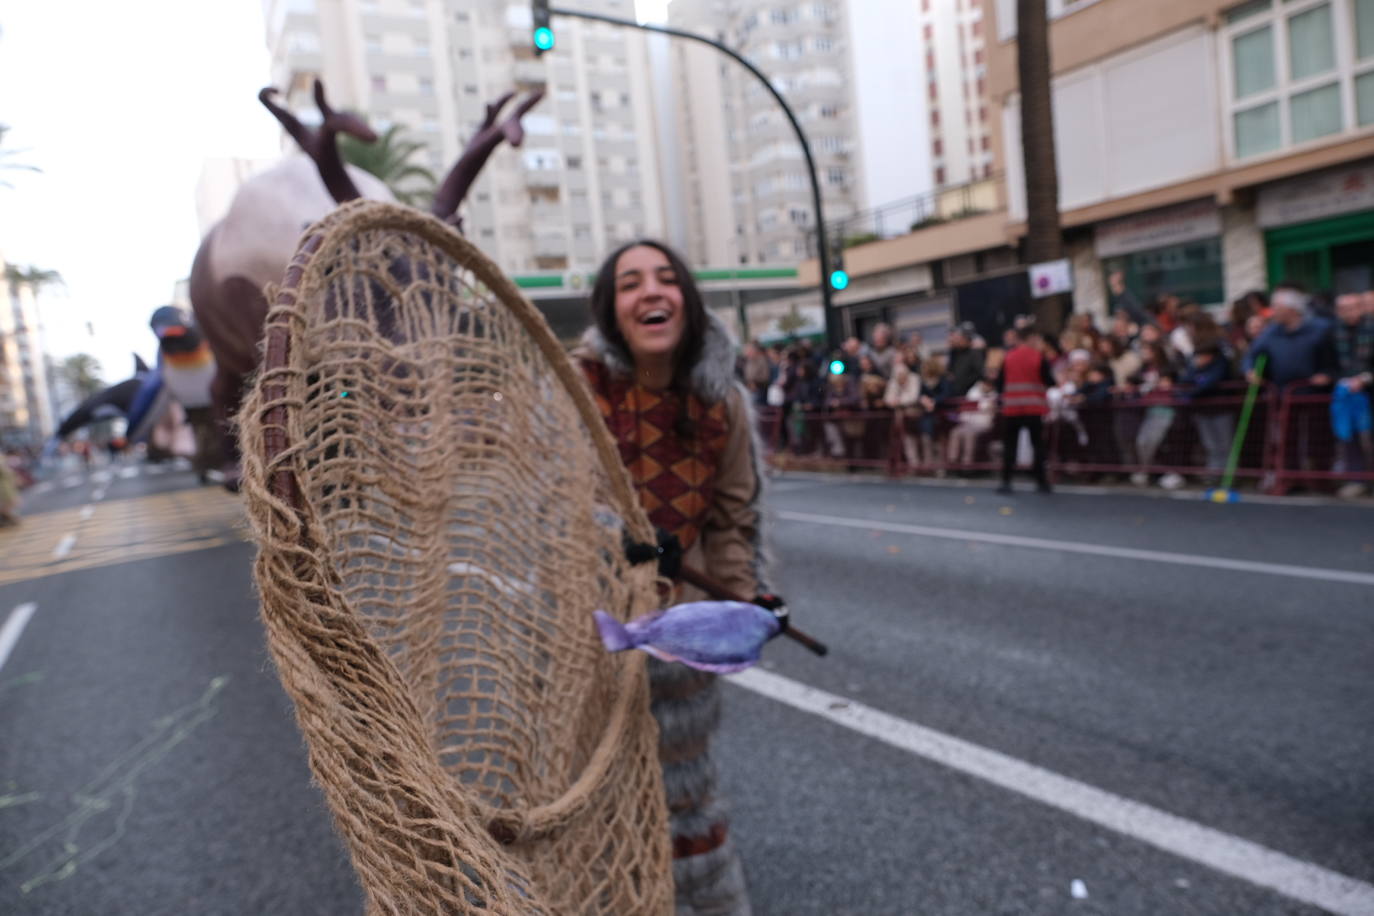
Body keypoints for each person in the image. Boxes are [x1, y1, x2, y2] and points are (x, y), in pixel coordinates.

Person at [576, 240, 766, 916]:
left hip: (680, 633)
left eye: (665, 279)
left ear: (686, 296)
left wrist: (742, 605)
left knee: (685, 798)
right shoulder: (575, 393)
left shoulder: (725, 404)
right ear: (612, 309)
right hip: (585, 641)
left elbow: (732, 517)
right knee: (596, 801)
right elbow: (544, 506)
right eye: (630, 283)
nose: (650, 293)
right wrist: (613, 538)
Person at [996, 325, 1053, 493]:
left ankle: (1006, 481)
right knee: (1038, 445)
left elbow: (1000, 384)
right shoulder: (1038, 357)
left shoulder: (1008, 357)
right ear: (1030, 338)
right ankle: (1041, 481)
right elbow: (1048, 380)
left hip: (1012, 408)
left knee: (1009, 446)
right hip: (1034, 407)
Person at [1331, 292, 1374, 497]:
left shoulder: (1370, 328)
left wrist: (1365, 378)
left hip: (1368, 388)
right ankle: (1357, 479)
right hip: (1346, 391)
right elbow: (1328, 363)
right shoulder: (1333, 332)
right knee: (1350, 438)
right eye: (1343, 308)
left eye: (1353, 307)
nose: (1348, 312)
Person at [945, 322, 986, 397]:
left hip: (971, 392)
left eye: (959, 338)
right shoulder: (954, 353)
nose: (957, 341)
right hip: (957, 392)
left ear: (966, 339)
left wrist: (966, 382)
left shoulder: (975, 353)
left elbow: (979, 372)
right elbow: (950, 371)